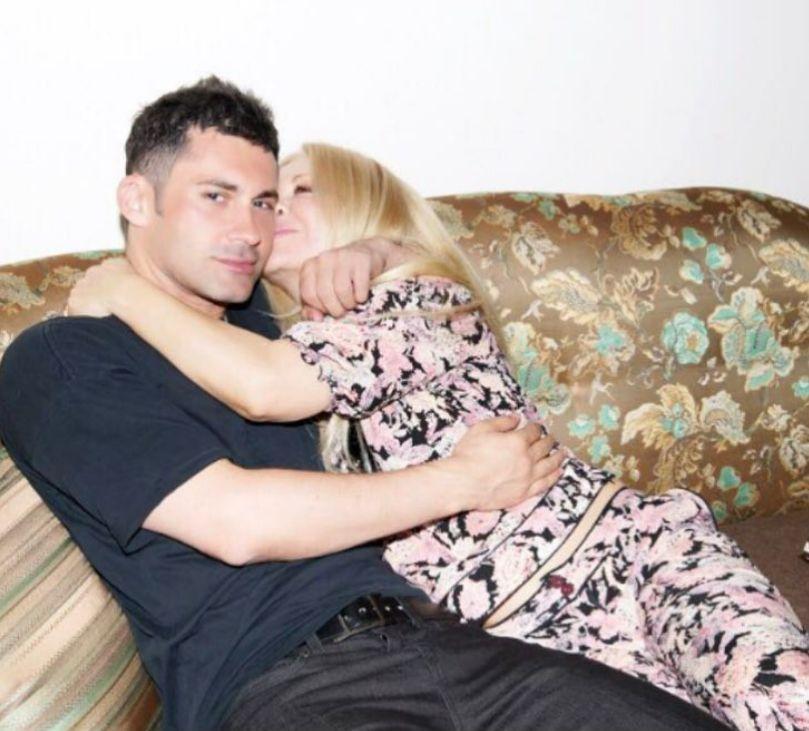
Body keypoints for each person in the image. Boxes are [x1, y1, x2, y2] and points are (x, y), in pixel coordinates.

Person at [0, 77, 727, 731]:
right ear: (137, 200)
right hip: (279, 680)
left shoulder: (274, 320)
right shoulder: (61, 359)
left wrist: (372, 250)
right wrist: (462, 481)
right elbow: (236, 523)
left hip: (453, 643)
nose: (250, 230)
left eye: (264, 203)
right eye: (215, 196)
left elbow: (414, 276)